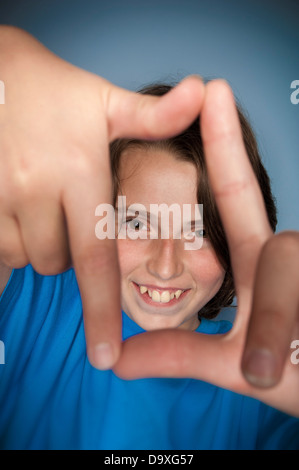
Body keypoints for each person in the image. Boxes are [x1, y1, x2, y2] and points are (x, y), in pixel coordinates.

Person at [0, 26, 299, 448]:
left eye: (197, 233)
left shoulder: (268, 378)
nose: (165, 264)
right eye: (137, 224)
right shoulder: (33, 295)